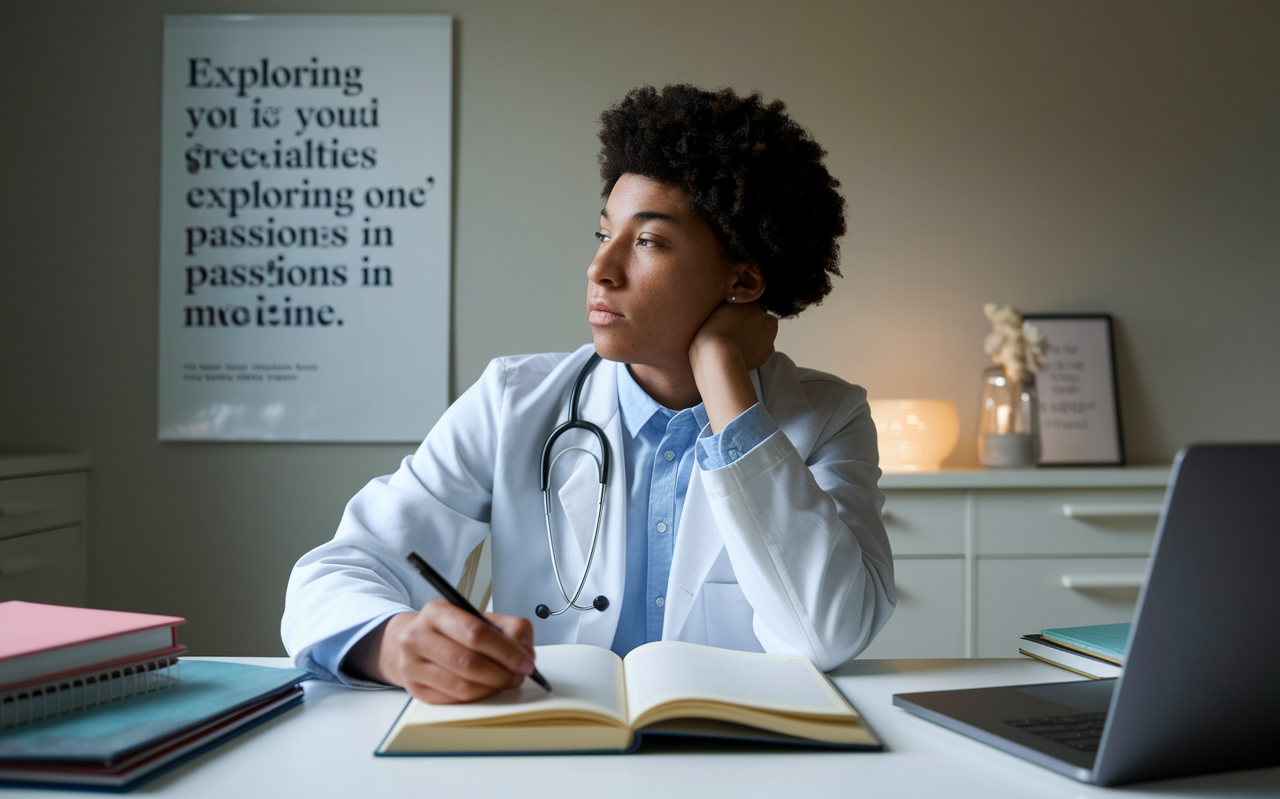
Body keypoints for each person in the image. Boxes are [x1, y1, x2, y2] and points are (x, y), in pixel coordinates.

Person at [282, 84, 894, 704]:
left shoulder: (829, 416)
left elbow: (828, 633)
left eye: (647, 241)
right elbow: (339, 570)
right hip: (549, 746)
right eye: (604, 233)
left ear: (743, 279)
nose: (601, 267)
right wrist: (393, 642)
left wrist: (721, 372)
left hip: (737, 760)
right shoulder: (513, 401)